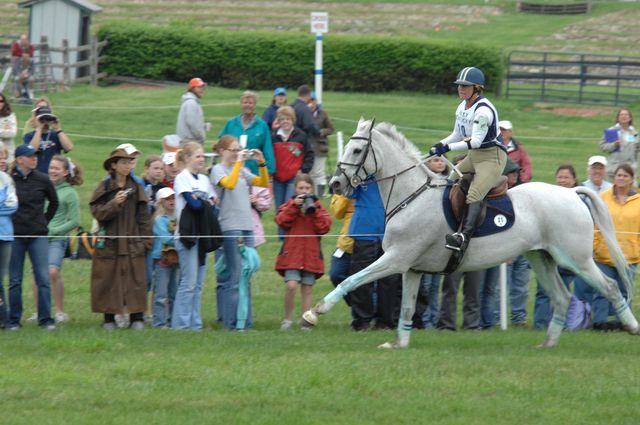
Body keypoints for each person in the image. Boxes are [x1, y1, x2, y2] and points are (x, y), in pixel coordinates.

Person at [429, 66, 507, 257]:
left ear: (477, 88)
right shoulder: (462, 106)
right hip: (474, 156)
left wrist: (447, 148)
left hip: (492, 158)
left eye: (465, 86)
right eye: (459, 86)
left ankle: (463, 237)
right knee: (450, 180)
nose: (461, 89)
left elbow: (476, 141)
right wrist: (440, 144)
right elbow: (457, 134)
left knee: (474, 194)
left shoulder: (483, 112)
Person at [89, 147, 152, 330]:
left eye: (130, 162)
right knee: (107, 279)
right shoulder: (105, 187)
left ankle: (136, 317)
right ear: (114, 165)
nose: (127, 166)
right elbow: (97, 213)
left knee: (136, 280)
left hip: (133, 242)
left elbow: (144, 218)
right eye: (123, 162)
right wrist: (114, 204)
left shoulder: (137, 187)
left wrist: (145, 242)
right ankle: (109, 318)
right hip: (109, 242)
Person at [211, 135, 269, 330]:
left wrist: (261, 162)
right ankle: (231, 324)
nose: (236, 153)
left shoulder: (242, 170)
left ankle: (245, 322)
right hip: (230, 226)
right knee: (234, 276)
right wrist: (239, 163)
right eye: (233, 150)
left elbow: (262, 182)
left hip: (247, 226)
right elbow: (229, 183)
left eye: (238, 149)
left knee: (247, 275)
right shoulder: (218, 170)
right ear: (222, 152)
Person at [7, 144, 58, 331]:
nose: (35, 158)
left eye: (36, 155)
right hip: (15, 235)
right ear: (20, 159)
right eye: (30, 156)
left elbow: (54, 202)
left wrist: (43, 221)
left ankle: (46, 319)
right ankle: (14, 320)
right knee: (15, 280)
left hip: (38, 235)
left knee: (43, 277)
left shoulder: (43, 179)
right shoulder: (9, 180)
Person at [172, 142, 220, 330]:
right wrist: (203, 201)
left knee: (198, 284)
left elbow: (212, 203)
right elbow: (195, 205)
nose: (201, 159)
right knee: (189, 283)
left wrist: (202, 200)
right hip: (187, 236)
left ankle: (195, 324)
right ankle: (181, 325)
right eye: (197, 156)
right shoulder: (182, 178)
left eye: (202, 156)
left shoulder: (204, 180)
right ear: (187, 158)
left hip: (202, 235)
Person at [275, 174, 332, 331]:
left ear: (312, 189)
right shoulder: (289, 205)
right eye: (301, 188)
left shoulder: (318, 207)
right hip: (292, 253)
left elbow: (325, 227)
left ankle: (305, 321)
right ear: (295, 189)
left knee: (307, 288)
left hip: (310, 254)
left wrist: (314, 212)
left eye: (307, 188)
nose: (304, 191)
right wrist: (294, 206)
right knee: (291, 285)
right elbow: (281, 221)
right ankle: (287, 320)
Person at [347, 177, 401, 331]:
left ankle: (386, 321)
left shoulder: (393, 175)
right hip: (364, 230)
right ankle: (362, 320)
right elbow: (347, 192)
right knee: (361, 277)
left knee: (389, 280)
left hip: (390, 232)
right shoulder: (360, 176)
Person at [591, 164, 640, 331]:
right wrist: (595, 246)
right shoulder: (602, 197)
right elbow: (595, 223)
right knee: (602, 290)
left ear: (632, 180)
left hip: (629, 256)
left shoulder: (638, 201)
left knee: (625, 292)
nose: (621, 178)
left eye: (625, 176)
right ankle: (600, 322)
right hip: (604, 254)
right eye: (619, 175)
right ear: (614, 177)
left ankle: (624, 322)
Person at [533, 164, 579, 329]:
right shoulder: (549, 198)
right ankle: (540, 324)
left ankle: (563, 324)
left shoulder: (578, 201)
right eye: (560, 177)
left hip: (567, 253)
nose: (563, 180)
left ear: (574, 180)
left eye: (566, 177)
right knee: (544, 289)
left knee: (563, 287)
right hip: (547, 251)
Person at [46, 156, 81, 324]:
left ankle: (59, 311)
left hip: (58, 238)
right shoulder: (43, 187)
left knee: (53, 271)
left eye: (57, 168)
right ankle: (40, 311)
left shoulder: (70, 193)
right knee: (38, 274)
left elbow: (74, 221)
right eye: (51, 167)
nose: (53, 171)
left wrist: (54, 230)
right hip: (39, 237)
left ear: (66, 173)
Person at [271, 106, 314, 224]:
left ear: (292, 120)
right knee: (280, 209)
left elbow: (309, 154)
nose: (285, 121)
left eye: (288, 119)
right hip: (277, 179)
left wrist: (303, 170)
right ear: (278, 121)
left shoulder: (301, 136)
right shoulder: (273, 136)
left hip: (293, 179)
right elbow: (269, 155)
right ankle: (282, 238)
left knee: (290, 205)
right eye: (282, 119)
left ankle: (290, 236)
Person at [218, 90, 275, 175]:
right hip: (232, 170)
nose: (247, 105)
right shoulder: (231, 123)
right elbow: (221, 144)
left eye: (250, 103)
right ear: (241, 104)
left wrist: (269, 170)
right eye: (245, 102)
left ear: (255, 105)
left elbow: (268, 149)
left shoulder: (262, 126)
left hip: (254, 171)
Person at [151, 187, 179, 328]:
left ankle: (173, 321)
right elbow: (166, 238)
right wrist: (180, 240)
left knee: (174, 292)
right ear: (161, 202)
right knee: (161, 294)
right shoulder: (159, 220)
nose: (171, 201)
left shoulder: (177, 218)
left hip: (176, 259)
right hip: (162, 259)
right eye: (167, 199)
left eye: (173, 198)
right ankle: (159, 322)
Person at [23, 105, 74, 173]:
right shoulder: (29, 136)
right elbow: (32, 150)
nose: (45, 122)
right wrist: (39, 129)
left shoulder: (56, 135)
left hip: (53, 173)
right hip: (36, 173)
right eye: (42, 119)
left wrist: (58, 129)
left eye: (47, 119)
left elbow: (69, 147)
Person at [0, 145, 18, 328]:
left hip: (4, 235)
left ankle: (3, 319)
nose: (2, 160)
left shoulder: (7, 180)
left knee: (0, 279)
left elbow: (12, 206)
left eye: (4, 156)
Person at [328, 194, 355, 308]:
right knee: (336, 274)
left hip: (368, 244)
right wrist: (346, 194)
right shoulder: (344, 188)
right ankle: (358, 307)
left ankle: (363, 312)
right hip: (346, 244)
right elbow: (338, 212)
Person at [308, 91, 334, 197]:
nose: (311, 103)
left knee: (319, 173)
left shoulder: (322, 113)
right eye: (309, 101)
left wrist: (322, 132)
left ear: (315, 102)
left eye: (313, 100)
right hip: (307, 147)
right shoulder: (303, 113)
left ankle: (319, 195)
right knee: (309, 173)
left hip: (320, 147)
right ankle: (309, 194)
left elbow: (331, 129)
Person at [600, 108, 638, 179]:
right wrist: (614, 144)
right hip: (614, 169)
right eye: (622, 115)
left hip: (629, 169)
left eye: (626, 115)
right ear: (618, 118)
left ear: (630, 118)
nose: (624, 116)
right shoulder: (611, 131)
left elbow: (636, 149)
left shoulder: (634, 133)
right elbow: (602, 146)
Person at [176, 77, 207, 144]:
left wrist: (204, 126)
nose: (202, 90)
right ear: (192, 89)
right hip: (190, 142)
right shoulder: (191, 103)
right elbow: (193, 124)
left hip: (189, 141)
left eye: (203, 87)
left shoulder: (191, 102)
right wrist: (201, 137)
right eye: (199, 87)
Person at [11, 35, 35, 100]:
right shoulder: (18, 60)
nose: (25, 56)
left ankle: (30, 93)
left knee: (32, 79)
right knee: (18, 79)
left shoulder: (31, 60)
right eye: (22, 39)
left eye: (25, 39)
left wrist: (28, 74)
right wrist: (20, 74)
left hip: (27, 74)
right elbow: (16, 68)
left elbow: (32, 70)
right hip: (19, 74)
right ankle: (21, 92)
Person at [0, 93, 17, 161]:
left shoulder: (10, 116)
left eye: (1, 101)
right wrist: (4, 130)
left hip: (8, 156)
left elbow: (12, 133)